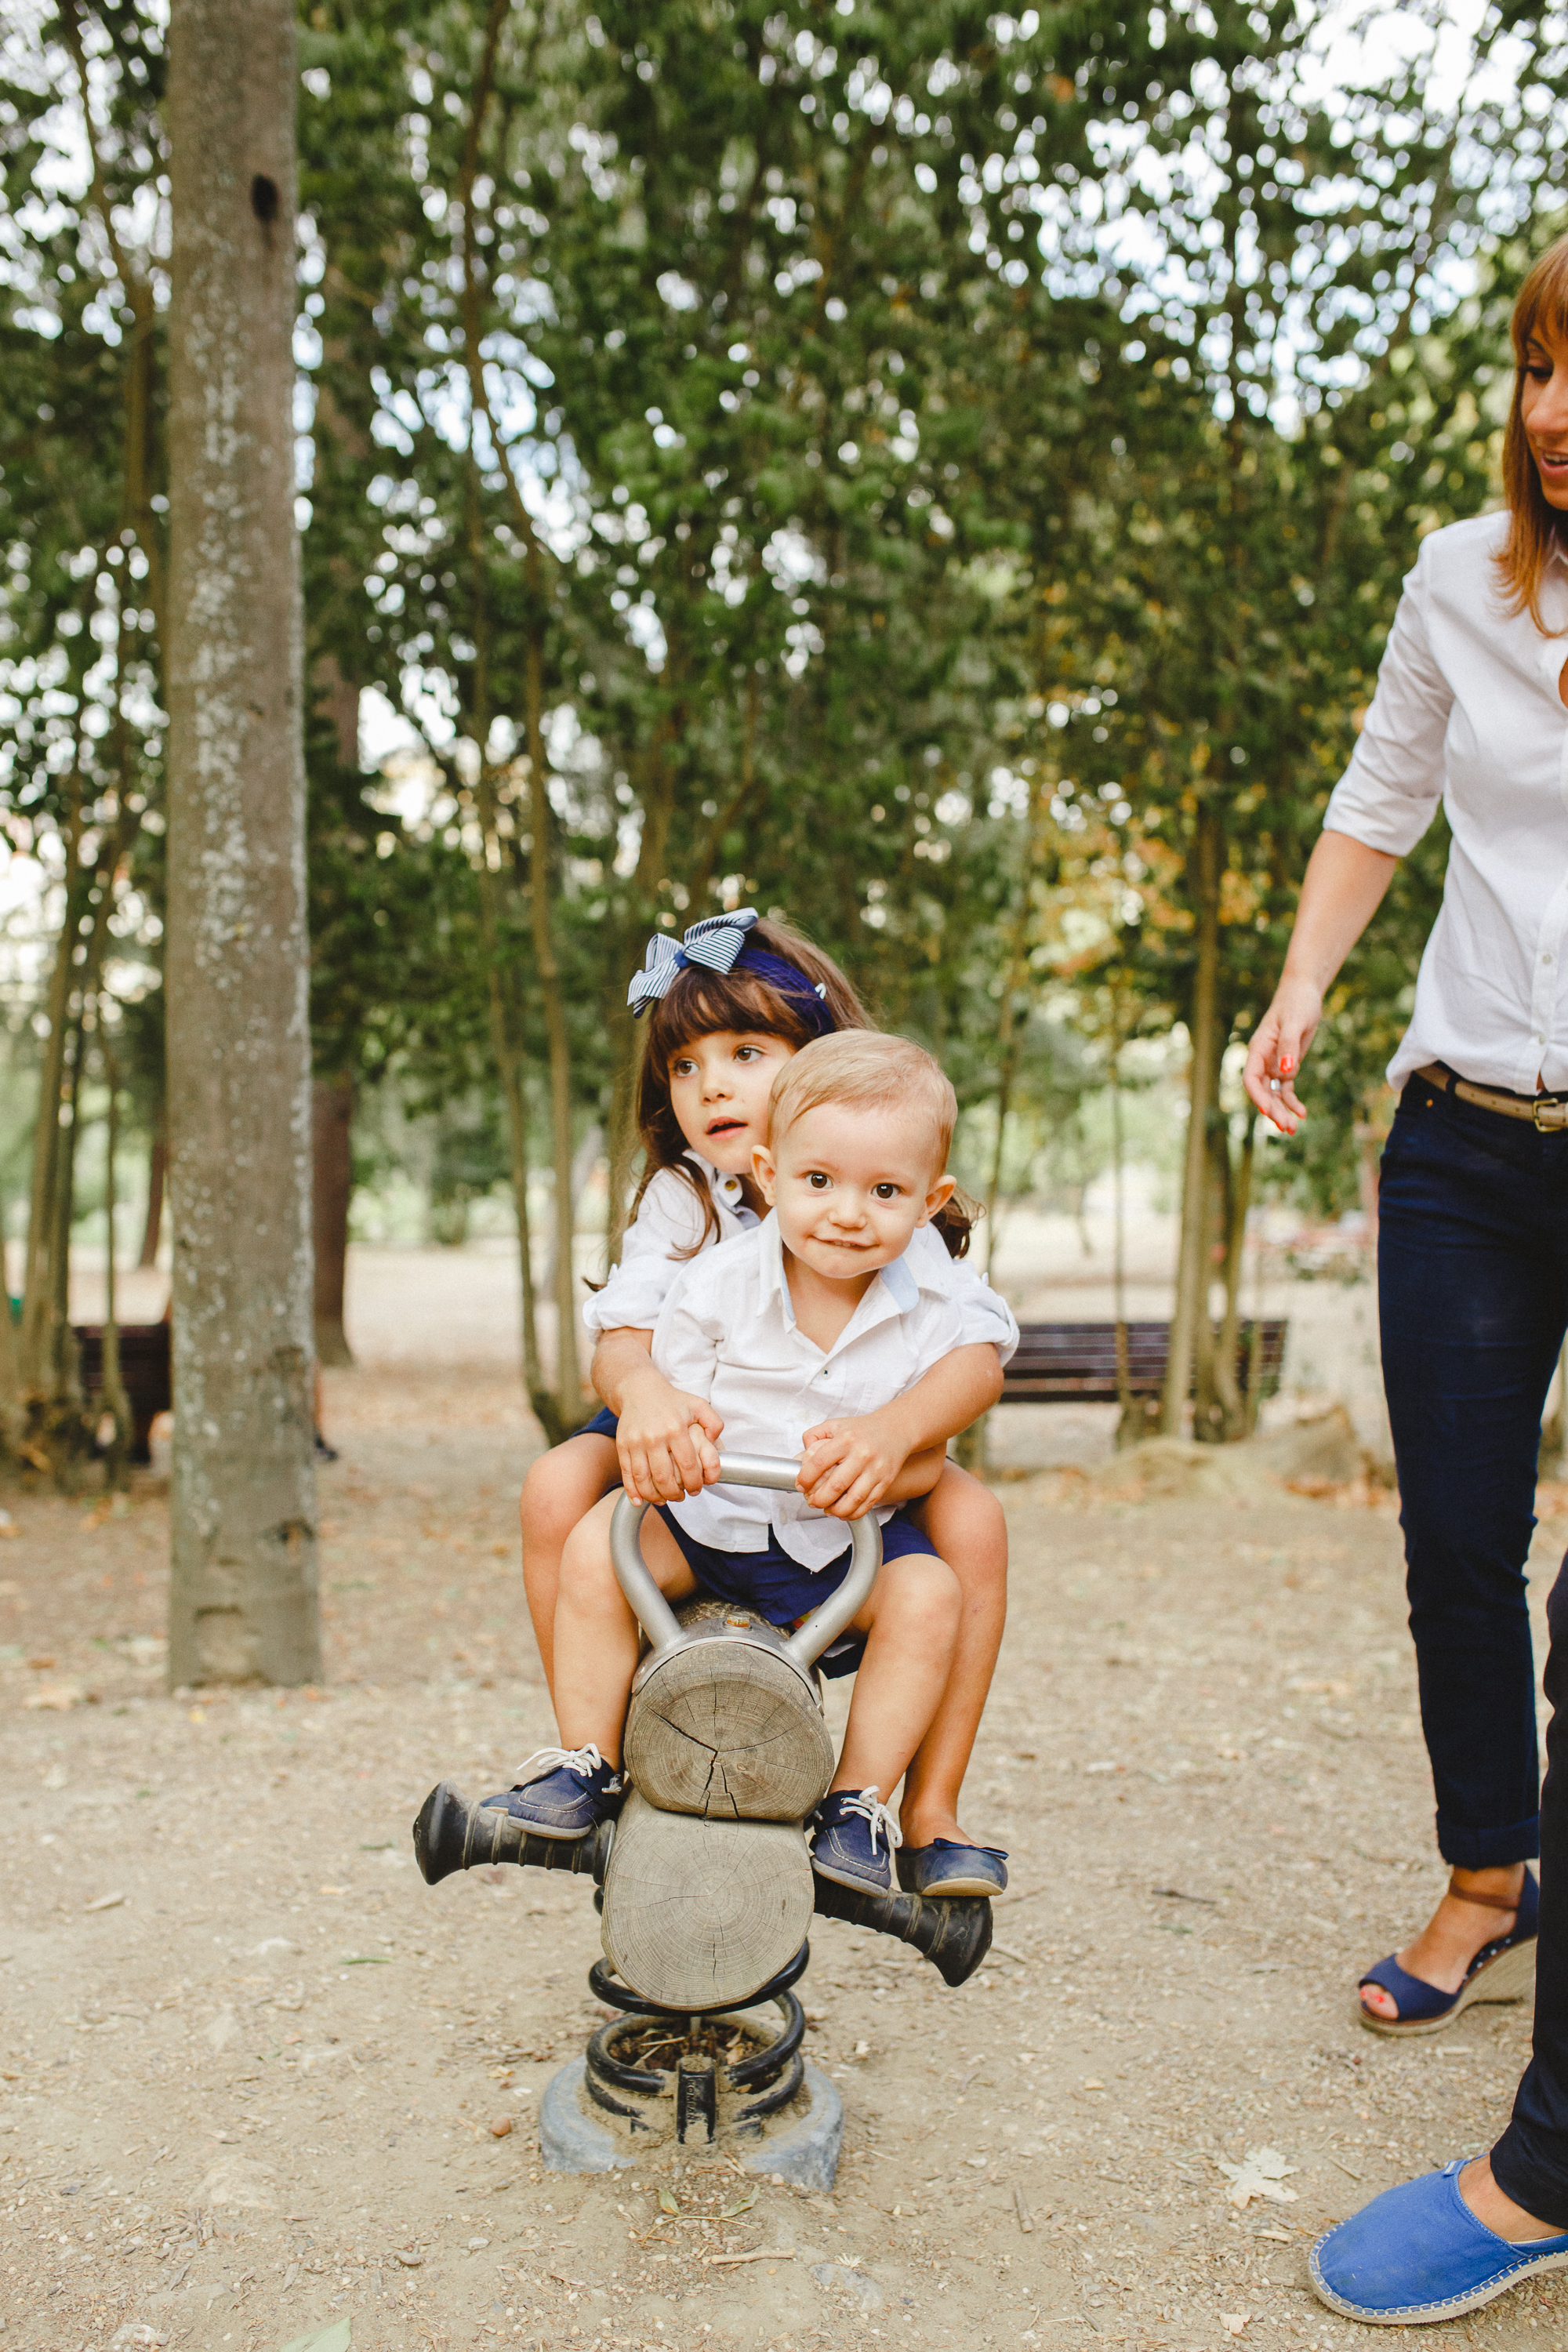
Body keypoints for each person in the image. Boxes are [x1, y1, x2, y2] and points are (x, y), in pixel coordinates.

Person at [1253, 234, 1568, 2324]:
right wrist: (1294, 1005)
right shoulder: (1465, 571)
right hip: (1464, 1130)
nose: (1559, 409)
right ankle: (1489, 1876)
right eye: (1544, 366)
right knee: (1457, 1542)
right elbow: (1384, 797)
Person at [513, 906, 1017, 1895]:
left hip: (846, 1427)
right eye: (685, 1066)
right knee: (555, 1490)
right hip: (681, 1411)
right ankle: (594, 1753)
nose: (712, 1085)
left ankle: (925, 1809)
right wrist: (648, 1397)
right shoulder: (686, 1195)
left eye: (746, 1052)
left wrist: (904, 1439)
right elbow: (620, 1341)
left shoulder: (880, 1190)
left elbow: (969, 1350)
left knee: (973, 1525)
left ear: (822, 1059)